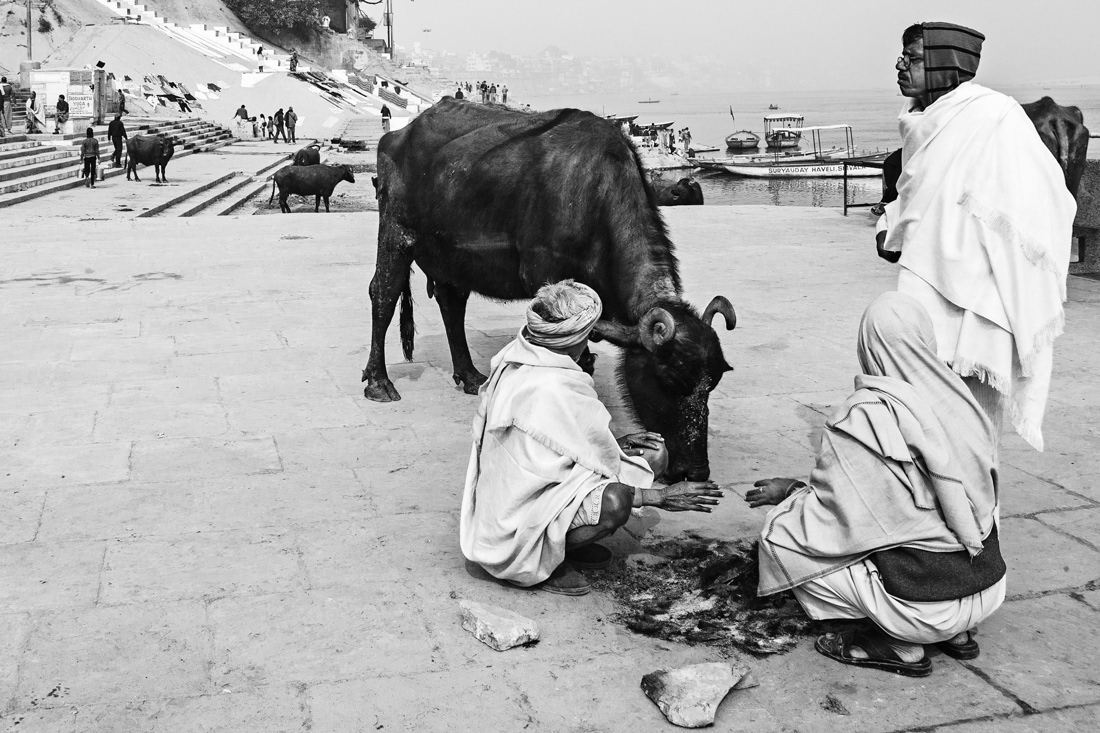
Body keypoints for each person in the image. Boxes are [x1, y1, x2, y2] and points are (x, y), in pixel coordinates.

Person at [748, 292, 1007, 677]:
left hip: (921, 611)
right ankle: (959, 636)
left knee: (780, 540)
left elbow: (835, 516)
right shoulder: (963, 402)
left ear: (868, 343)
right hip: (989, 588)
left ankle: (902, 645)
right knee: (947, 521)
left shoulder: (863, 414)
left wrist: (791, 494)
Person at [874, 22, 1076, 453]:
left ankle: (981, 518)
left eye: (912, 58)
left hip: (981, 289)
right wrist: (887, 226)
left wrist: (985, 231)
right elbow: (916, 193)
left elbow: (1043, 196)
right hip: (926, 277)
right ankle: (936, 512)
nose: (900, 65)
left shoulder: (993, 115)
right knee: (923, 417)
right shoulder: (920, 122)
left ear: (947, 67)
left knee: (974, 427)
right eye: (902, 56)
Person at [460, 280, 723, 595]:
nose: (589, 345)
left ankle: (562, 543)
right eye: (587, 337)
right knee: (616, 501)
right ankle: (543, 563)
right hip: (515, 528)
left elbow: (557, 444)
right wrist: (660, 497)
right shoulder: (553, 385)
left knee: (653, 452)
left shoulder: (520, 356)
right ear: (573, 339)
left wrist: (619, 443)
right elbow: (548, 463)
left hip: (529, 494)